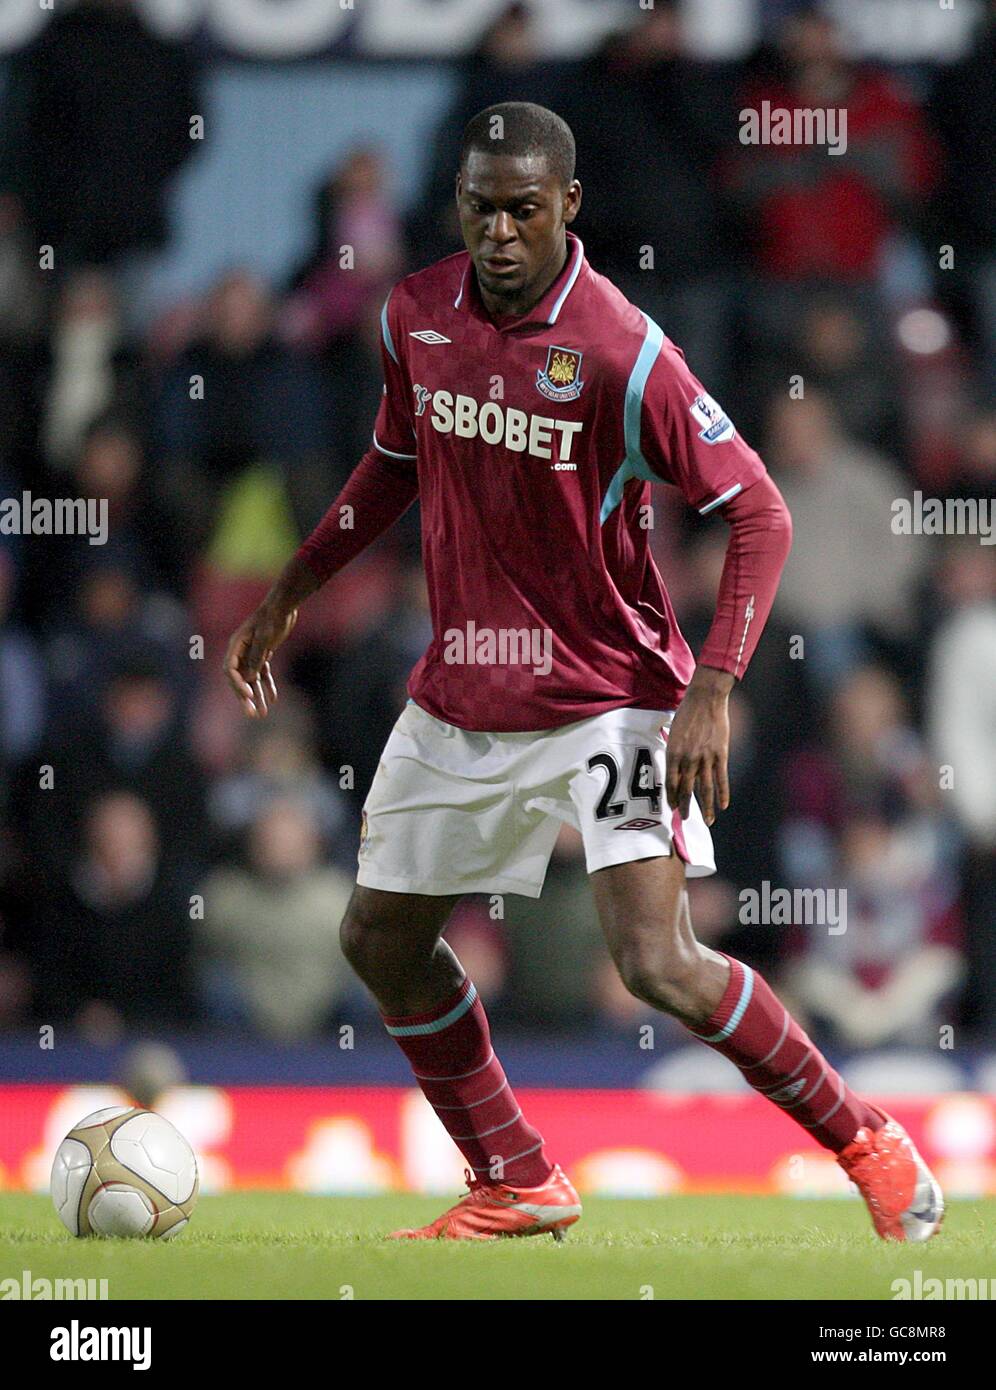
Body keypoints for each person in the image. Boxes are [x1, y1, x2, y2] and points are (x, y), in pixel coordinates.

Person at [224, 103, 942, 1244]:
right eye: (479, 206)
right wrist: (295, 584)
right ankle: (515, 1170)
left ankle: (867, 1138)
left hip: (612, 698)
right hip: (464, 690)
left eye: (522, 208)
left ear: (568, 205)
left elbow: (756, 505)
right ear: (455, 202)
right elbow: (392, 459)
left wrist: (713, 684)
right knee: (377, 939)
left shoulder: (619, 347)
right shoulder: (414, 314)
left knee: (658, 961)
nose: (498, 231)